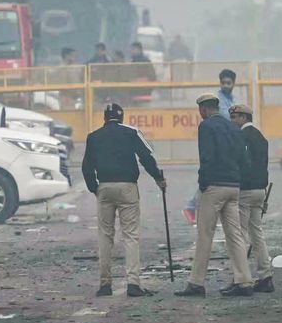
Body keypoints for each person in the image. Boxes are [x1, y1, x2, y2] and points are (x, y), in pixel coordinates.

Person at [82, 103, 167, 298]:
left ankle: (105, 285)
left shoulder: (94, 137)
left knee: (105, 235)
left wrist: (94, 188)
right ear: (122, 117)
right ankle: (133, 284)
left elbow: (87, 166)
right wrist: (158, 178)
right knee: (130, 236)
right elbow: (146, 156)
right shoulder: (131, 132)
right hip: (127, 187)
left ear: (105, 118)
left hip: (104, 187)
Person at [176, 94, 253, 297]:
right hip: (233, 186)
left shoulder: (206, 127)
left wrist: (203, 184)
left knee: (205, 234)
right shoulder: (233, 127)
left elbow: (206, 157)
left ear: (203, 109)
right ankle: (244, 280)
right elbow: (243, 158)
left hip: (214, 187)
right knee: (235, 236)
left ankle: (196, 282)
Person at [230, 104, 274, 293]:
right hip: (260, 190)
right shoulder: (261, 137)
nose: (232, 121)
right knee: (257, 234)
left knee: (238, 235)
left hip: (245, 191)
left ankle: (242, 280)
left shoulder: (240, 136)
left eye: (234, 117)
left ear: (243, 118)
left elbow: (242, 164)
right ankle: (265, 276)